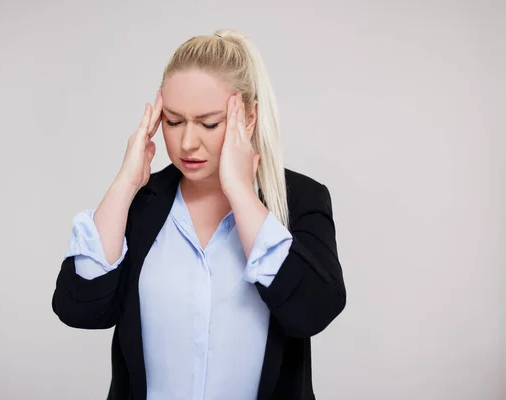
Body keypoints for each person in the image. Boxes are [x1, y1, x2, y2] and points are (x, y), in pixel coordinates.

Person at [52, 28, 346, 400]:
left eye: (209, 123)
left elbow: (314, 311)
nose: (188, 142)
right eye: (173, 122)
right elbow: (79, 309)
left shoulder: (301, 199)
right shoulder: (142, 204)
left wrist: (241, 193)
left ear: (249, 118)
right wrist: (125, 185)